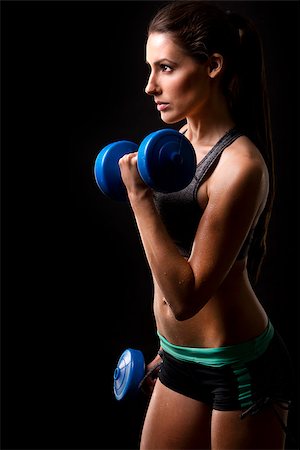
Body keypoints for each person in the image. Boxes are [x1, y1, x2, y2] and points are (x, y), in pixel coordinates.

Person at [118, 1, 294, 449]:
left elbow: (187, 296)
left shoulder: (240, 167)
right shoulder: (177, 142)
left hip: (238, 365)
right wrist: (166, 346)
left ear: (213, 65)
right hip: (176, 356)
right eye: (150, 68)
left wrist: (140, 198)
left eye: (166, 68)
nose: (149, 85)